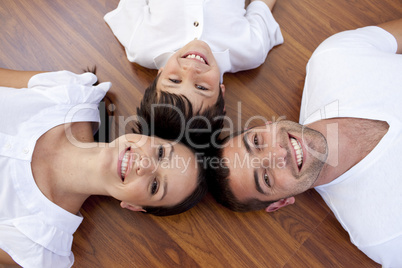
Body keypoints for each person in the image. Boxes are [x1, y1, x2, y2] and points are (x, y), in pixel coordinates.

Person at [208, 18, 402, 267]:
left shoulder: (333, 60)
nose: (278, 152)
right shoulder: (384, 237)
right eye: (266, 177)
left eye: (257, 141)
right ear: (280, 202)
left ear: (266, 124)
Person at [0, 68, 207, 267]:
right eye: (161, 153)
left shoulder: (38, 243)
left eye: (154, 186)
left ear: (133, 205)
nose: (145, 164)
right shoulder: (71, 93)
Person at [104, 0, 283, 149]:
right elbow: (262, 7)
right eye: (201, 87)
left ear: (159, 75)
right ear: (221, 92)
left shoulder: (141, 45)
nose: (190, 69)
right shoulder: (250, 50)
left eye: (174, 80)